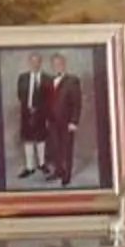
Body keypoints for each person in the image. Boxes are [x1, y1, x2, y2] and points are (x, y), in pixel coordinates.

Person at [42, 52, 83, 184]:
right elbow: (47, 102)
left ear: (64, 64)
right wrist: (46, 119)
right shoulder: (49, 81)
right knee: (55, 148)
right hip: (52, 121)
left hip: (67, 122)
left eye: (59, 63)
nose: (57, 66)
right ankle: (58, 171)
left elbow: (77, 103)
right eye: (54, 64)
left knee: (66, 148)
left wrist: (74, 122)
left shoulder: (72, 80)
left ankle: (67, 175)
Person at [13, 54, 50, 179]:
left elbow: (49, 98)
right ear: (29, 63)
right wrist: (29, 107)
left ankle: (42, 164)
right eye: (33, 62)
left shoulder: (47, 79)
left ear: (41, 63)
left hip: (41, 114)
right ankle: (29, 167)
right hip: (27, 113)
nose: (35, 64)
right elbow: (20, 95)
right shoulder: (22, 78)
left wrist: (40, 109)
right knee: (27, 139)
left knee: (41, 139)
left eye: (37, 61)